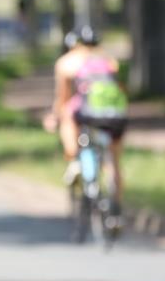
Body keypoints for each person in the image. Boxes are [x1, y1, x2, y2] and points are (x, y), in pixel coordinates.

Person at [44, 25, 128, 198]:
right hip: (116, 114)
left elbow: (63, 98)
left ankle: (74, 159)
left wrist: (54, 117)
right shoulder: (110, 60)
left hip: (87, 113)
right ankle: (115, 212)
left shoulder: (68, 61)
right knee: (114, 161)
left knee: (68, 113)